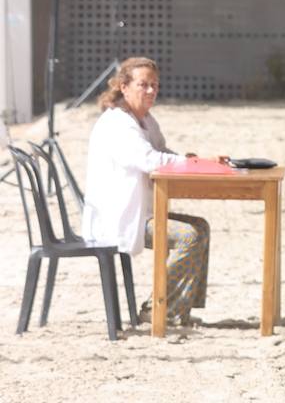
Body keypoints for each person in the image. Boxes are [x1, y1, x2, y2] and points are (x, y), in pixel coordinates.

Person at [81, 57, 211, 327]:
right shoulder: (118, 123)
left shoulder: (145, 120)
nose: (151, 91)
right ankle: (156, 310)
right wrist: (187, 164)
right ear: (124, 86)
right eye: (143, 85)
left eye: (155, 85)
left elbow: (162, 153)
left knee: (201, 226)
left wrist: (189, 161)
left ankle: (179, 309)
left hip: (142, 212)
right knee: (191, 235)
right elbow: (149, 159)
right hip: (120, 218)